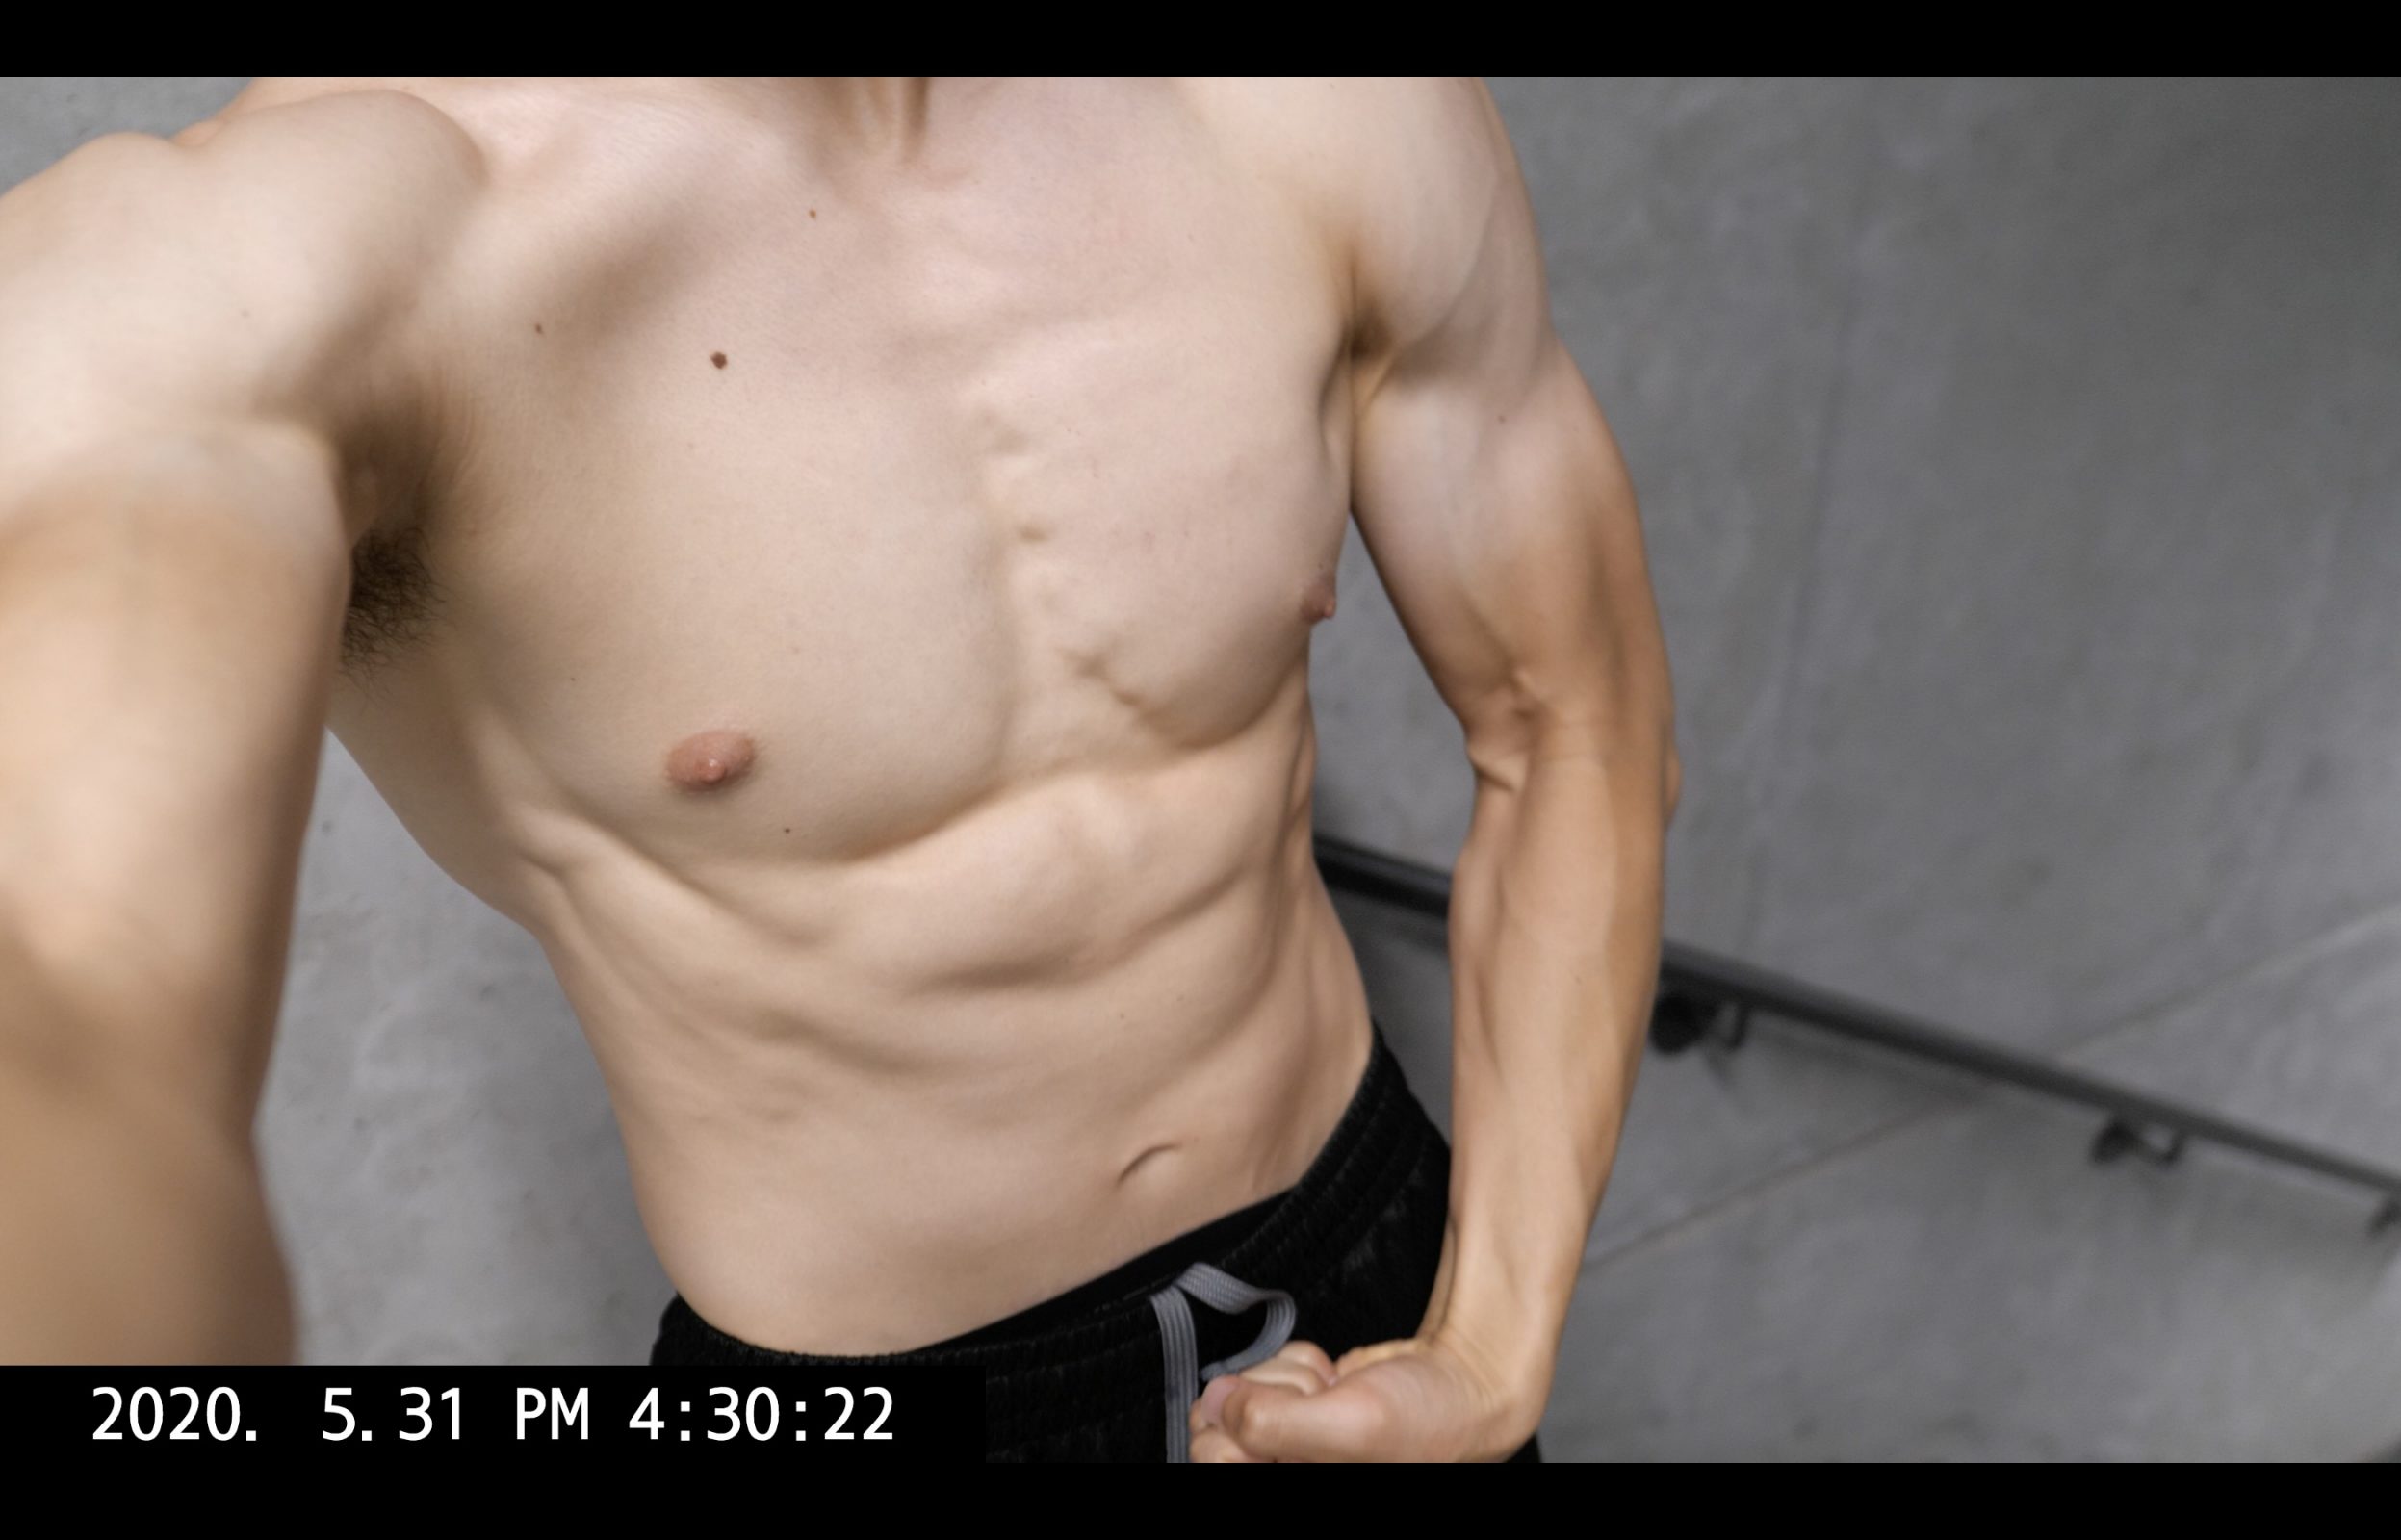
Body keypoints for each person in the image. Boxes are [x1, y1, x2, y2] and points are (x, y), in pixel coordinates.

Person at [0, 76, 1678, 1462]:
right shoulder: (293, 257)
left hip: (1381, 1257)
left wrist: (1489, 1345)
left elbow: (1571, 724)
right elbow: (73, 1005)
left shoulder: (1310, 112)